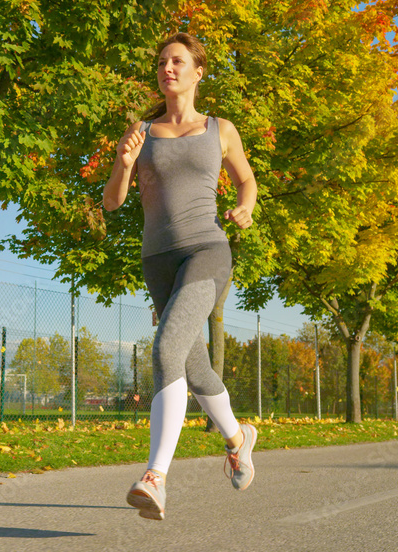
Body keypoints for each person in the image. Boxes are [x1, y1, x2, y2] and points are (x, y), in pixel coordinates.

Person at [102, 32, 260, 521]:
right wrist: (124, 166)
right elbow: (112, 201)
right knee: (192, 366)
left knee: (166, 349)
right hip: (159, 261)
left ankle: (156, 476)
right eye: (162, 61)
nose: (167, 68)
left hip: (208, 250)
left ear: (198, 72)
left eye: (178, 61)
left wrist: (244, 207)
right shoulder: (141, 132)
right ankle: (238, 438)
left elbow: (246, 179)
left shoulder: (221, 128)